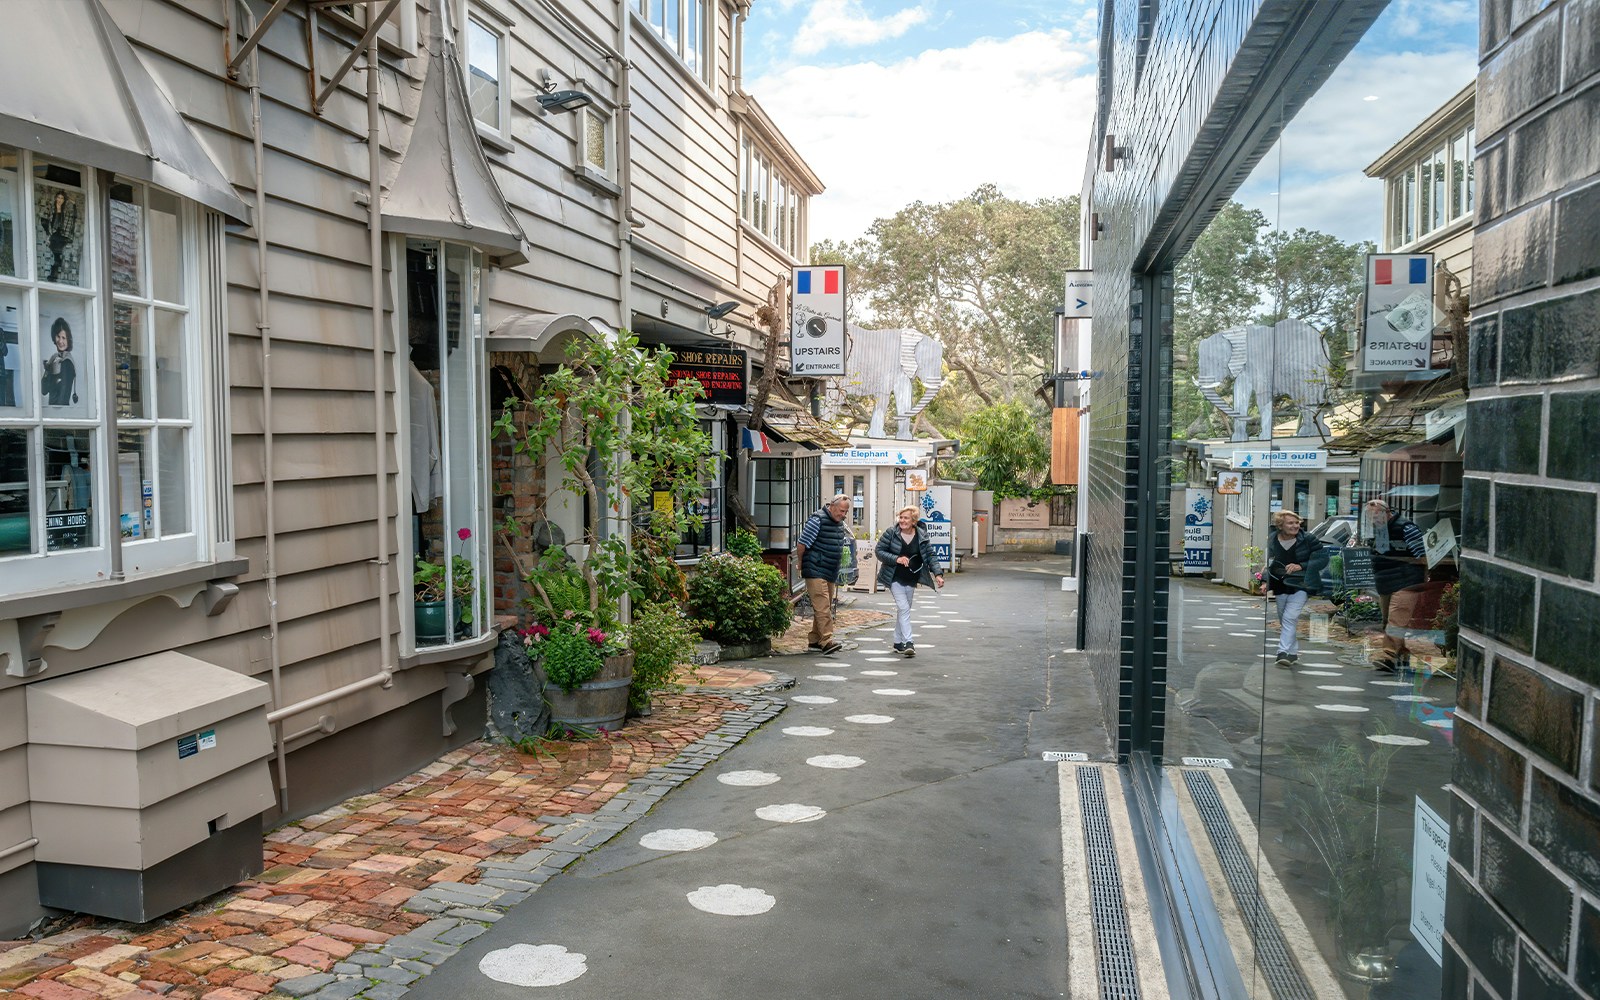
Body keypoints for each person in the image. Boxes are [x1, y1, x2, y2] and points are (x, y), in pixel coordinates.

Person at [875, 505, 945, 657]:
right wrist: (897, 559)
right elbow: (879, 551)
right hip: (894, 576)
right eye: (901, 517)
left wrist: (938, 574)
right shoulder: (891, 533)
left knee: (904, 609)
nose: (902, 520)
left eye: (906, 518)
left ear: (913, 520)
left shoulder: (921, 535)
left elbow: (931, 555)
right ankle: (909, 642)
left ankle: (898, 641)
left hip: (912, 577)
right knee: (904, 608)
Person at [1366, 497, 1427, 671]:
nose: (1374, 519)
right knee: (1388, 620)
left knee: (1397, 618)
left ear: (1387, 512)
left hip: (1407, 579)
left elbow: (1421, 555)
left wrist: (1424, 578)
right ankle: (1402, 655)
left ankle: (1388, 654)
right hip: (1385, 579)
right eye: (1370, 516)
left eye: (1376, 515)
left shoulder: (1406, 528)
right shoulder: (1377, 530)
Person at [1261, 510, 1321, 668]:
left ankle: (1282, 652)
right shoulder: (1273, 538)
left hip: (1302, 584)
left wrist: (1300, 566)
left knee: (1290, 617)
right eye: (1290, 523)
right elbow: (1270, 562)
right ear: (1280, 525)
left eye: (1297, 523)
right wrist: (1265, 581)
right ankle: (1293, 652)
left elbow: (1322, 559)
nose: (1295, 526)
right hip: (1281, 585)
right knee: (1285, 619)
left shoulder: (1308, 539)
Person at [794, 493, 852, 654]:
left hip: (830, 569)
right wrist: (800, 563)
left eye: (846, 512)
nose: (843, 515)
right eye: (841, 511)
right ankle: (827, 640)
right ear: (831, 506)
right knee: (823, 605)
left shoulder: (839, 524)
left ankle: (814, 639)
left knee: (823, 605)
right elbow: (802, 544)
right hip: (815, 567)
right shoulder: (817, 520)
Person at [42, 190, 76, 284]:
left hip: (61, 236)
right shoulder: (50, 208)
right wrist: (48, 232)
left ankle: (53, 276)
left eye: (62, 198)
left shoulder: (66, 211)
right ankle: (52, 275)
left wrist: (73, 204)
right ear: (56, 198)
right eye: (58, 197)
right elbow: (44, 220)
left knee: (58, 257)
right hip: (53, 235)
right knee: (55, 256)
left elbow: (72, 219)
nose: (60, 200)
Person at [40, 317, 76, 406]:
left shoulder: (67, 362)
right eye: (58, 336)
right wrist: (48, 370)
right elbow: (43, 390)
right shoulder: (54, 359)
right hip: (53, 411)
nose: (60, 341)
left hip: (60, 413)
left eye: (64, 338)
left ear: (68, 340)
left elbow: (62, 399)